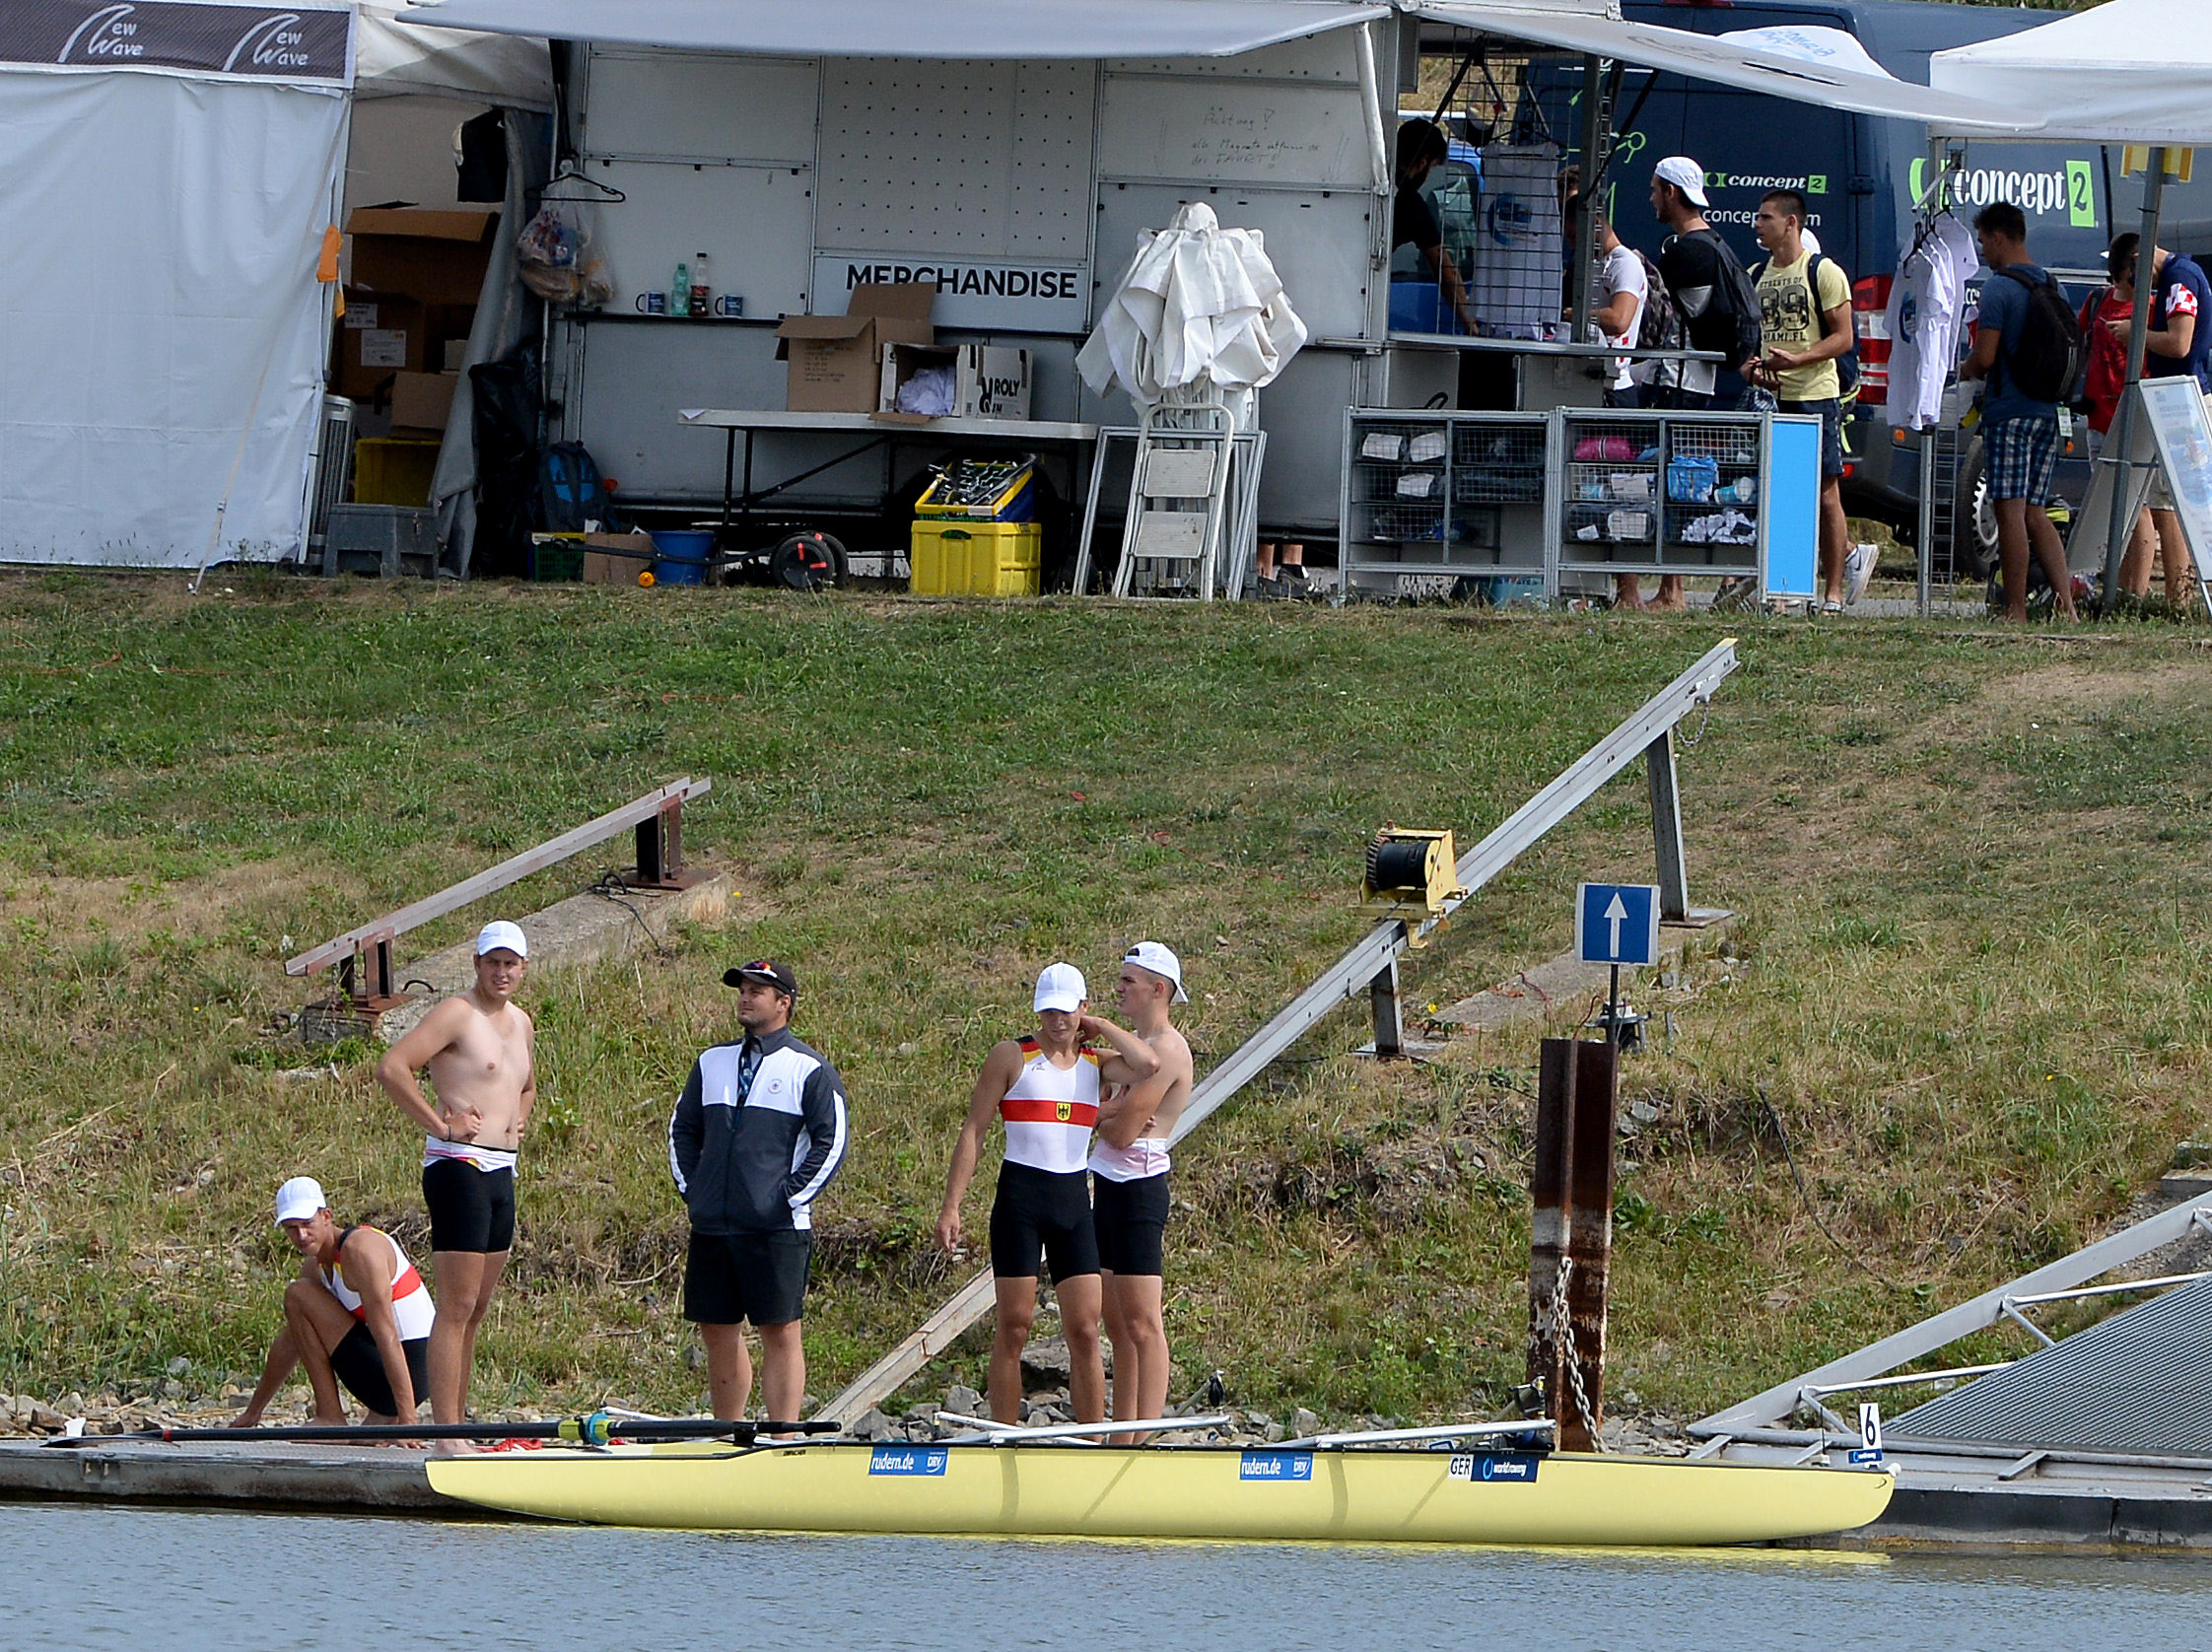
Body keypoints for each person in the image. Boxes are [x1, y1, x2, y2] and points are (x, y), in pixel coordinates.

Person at [935, 962, 1160, 1426]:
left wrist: (1101, 1028)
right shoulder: (1012, 1056)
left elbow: (1147, 1064)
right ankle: (1003, 1432)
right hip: (1021, 1201)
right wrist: (952, 1204)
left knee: (1083, 1330)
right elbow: (974, 1130)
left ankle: (1091, 1439)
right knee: (1014, 1327)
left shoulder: (1096, 1062)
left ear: (1082, 1008)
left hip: (1073, 1205)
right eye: (1048, 1012)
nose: (1057, 1022)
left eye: (1066, 1012)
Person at [669, 959, 849, 1424]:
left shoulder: (807, 1068)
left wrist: (786, 1198)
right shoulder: (712, 1062)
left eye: (757, 991)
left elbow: (832, 1140)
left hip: (776, 1227)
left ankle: (782, 1438)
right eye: (742, 989)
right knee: (717, 1330)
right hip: (714, 1223)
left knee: (780, 1330)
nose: (745, 997)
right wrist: (696, 1191)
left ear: (783, 1004)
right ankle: (728, 1434)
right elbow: (682, 1130)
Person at [375, 919, 535, 1427]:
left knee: (479, 1305)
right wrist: (442, 1125)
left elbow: (525, 1083)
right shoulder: (457, 1014)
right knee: (457, 1304)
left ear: (524, 968)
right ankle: (446, 1431)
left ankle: (459, 1418)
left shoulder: (522, 1023)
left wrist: (521, 1114)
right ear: (477, 965)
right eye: (493, 963)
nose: (502, 972)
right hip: (459, 1166)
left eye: (511, 964)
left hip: (501, 1170)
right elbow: (393, 1067)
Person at [1089, 943, 1196, 1446]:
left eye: (1128, 981)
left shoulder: (1170, 1050)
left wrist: (1104, 1115)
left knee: (1142, 1322)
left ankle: (1147, 1436)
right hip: (1107, 1185)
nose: (1119, 988)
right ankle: (1121, 1436)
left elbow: (1123, 1133)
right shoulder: (1138, 1048)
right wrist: (1111, 1109)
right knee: (1115, 1322)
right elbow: (1099, 1084)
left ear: (1158, 989)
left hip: (1137, 1188)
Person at [231, 1177, 434, 1431]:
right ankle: (371, 1417)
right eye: (291, 1228)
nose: (301, 1235)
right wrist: (253, 1412)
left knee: (297, 1293)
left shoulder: (360, 1250)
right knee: (299, 1297)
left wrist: (408, 1422)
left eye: (307, 1224)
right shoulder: (315, 1266)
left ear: (327, 1215)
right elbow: (291, 1340)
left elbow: (388, 1334)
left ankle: (330, 1415)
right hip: (393, 1376)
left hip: (415, 1367)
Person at [1643, 155, 1756, 611]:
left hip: (1679, 376)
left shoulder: (1684, 251)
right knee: (1681, 476)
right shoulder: (1718, 244)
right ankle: (1681, 584)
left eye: (1655, 189)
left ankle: (1674, 589)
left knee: (1672, 477)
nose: (1651, 198)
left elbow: (1658, 309)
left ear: (1672, 192)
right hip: (1701, 376)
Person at [1959, 202, 2080, 623]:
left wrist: (1964, 367)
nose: (1982, 251)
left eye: (1983, 241)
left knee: (2009, 510)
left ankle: (2015, 609)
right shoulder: (2052, 284)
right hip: (2047, 409)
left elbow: (1986, 356)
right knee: (2035, 509)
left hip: (2009, 411)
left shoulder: (1998, 288)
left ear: (1998, 237)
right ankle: (2066, 605)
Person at [1746, 188, 1856, 612]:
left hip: (1815, 395)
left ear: (1792, 222)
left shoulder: (1823, 271)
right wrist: (1755, 370)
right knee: (1782, 492)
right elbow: (1750, 343)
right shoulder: (1758, 274)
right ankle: (1785, 587)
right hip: (1772, 399)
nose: (1758, 224)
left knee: (1827, 492)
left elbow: (1843, 337)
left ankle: (1833, 590)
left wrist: (1799, 360)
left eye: (1766, 217)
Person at [2103, 235, 2210, 605]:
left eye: (2132, 281)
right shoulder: (2175, 277)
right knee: (2163, 499)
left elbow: (2180, 342)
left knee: (2168, 504)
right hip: (2173, 397)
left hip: (2183, 401)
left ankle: (2179, 599)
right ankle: (2172, 596)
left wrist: (2137, 334)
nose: (2137, 290)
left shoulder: (2179, 278)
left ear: (2138, 259)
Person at [2078, 233, 2168, 598]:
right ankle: (2114, 583)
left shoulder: (2150, 309)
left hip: (2132, 418)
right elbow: (2080, 336)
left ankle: (2136, 589)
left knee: (2138, 506)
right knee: (2108, 507)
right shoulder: (2098, 299)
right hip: (2099, 415)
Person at [1591, 215, 1656, 611]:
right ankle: (1602, 585)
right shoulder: (1594, 264)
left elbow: (1619, 319)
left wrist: (1573, 314)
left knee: (1622, 486)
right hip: (1592, 383)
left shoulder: (1624, 263)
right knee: (1591, 486)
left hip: (1618, 389)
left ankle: (1629, 590)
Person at [1392, 119, 1478, 337]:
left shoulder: (1372, 181)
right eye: (1432, 168)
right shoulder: (1411, 204)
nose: (1429, 175)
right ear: (1422, 162)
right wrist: (1469, 322)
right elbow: (1443, 267)